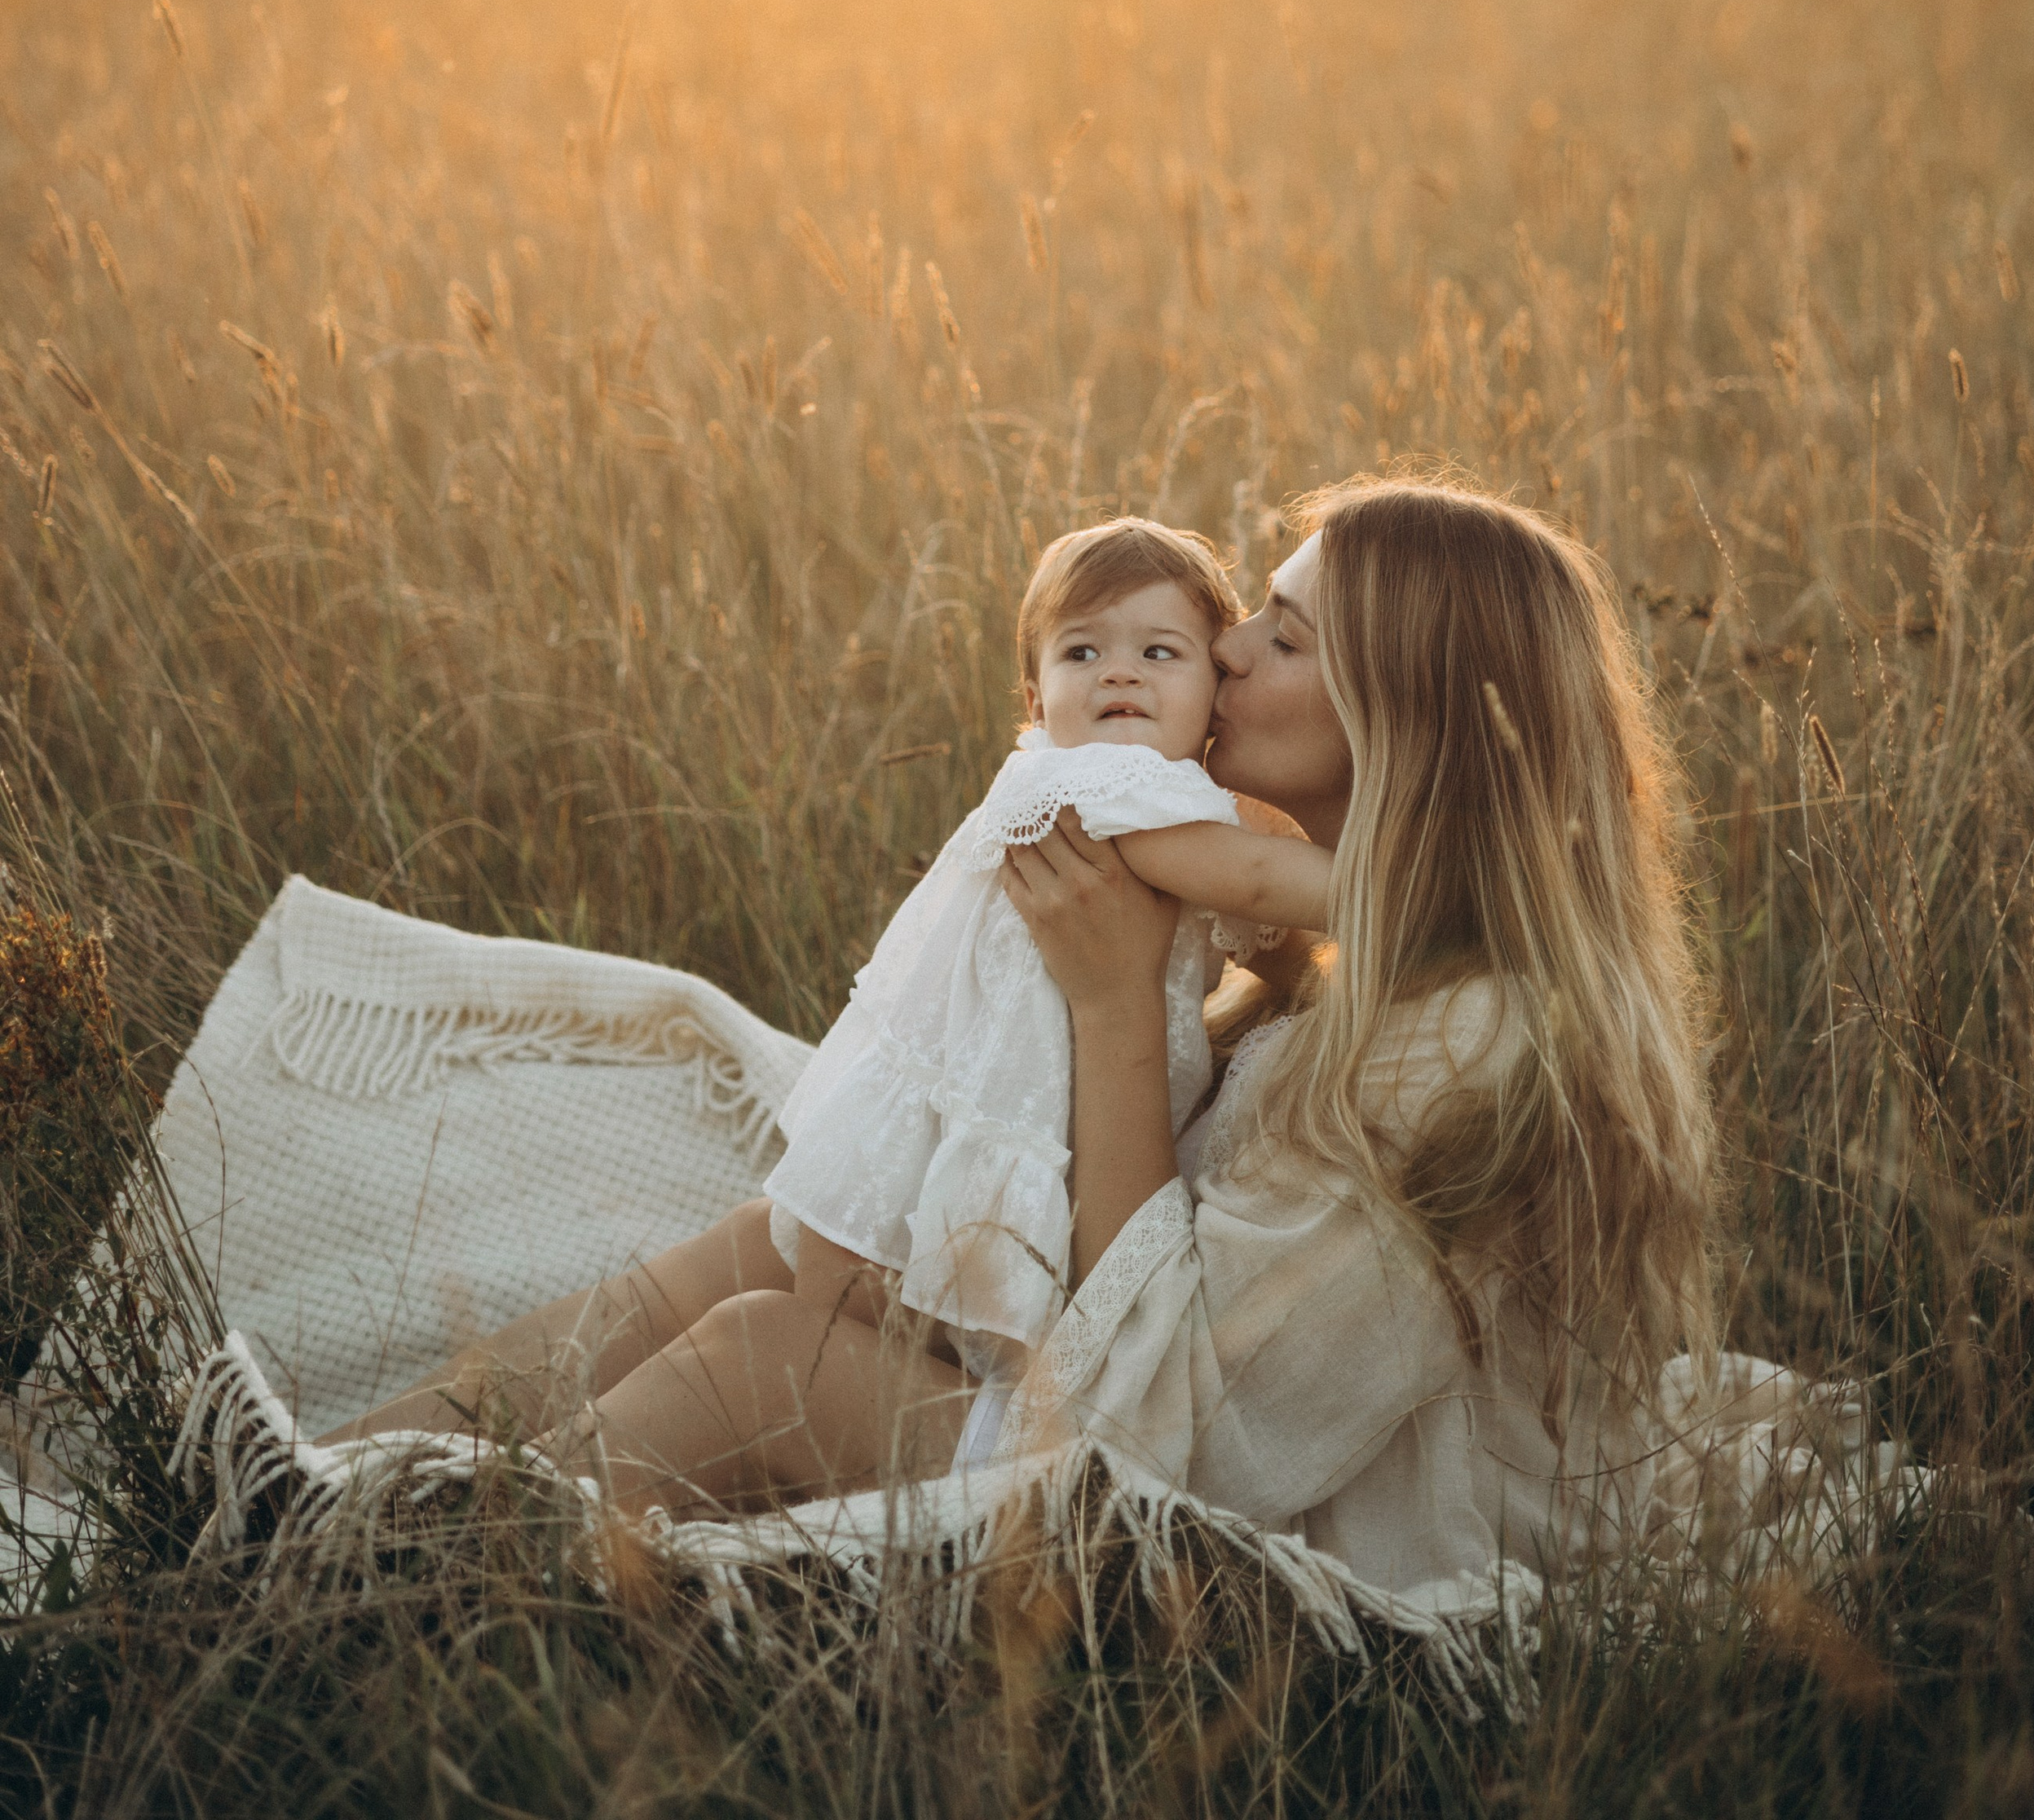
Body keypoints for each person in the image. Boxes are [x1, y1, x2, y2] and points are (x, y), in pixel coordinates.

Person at [347, 479, 1720, 1611]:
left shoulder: (1475, 1043)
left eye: (1288, 639)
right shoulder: (1340, 941)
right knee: (770, 1245)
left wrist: (1119, 1002)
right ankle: (344, 1482)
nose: (1228, 645)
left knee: (763, 1356)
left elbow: (1189, 1435)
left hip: (1275, 1540)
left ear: (1406, 716)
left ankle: (417, 1606)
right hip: (1144, 1400)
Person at [343, 516, 1331, 1486]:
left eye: (1160, 652)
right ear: (1034, 695)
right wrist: (1413, 881)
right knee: (769, 1280)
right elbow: (1250, 882)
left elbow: (1248, 932)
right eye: (1084, 653)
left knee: (754, 1281)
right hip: (990, 1170)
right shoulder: (1104, 788)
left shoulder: (1126, 790)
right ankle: (410, 1492)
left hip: (996, 1202)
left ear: (1203, 690)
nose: (1120, 674)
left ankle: (384, 1469)